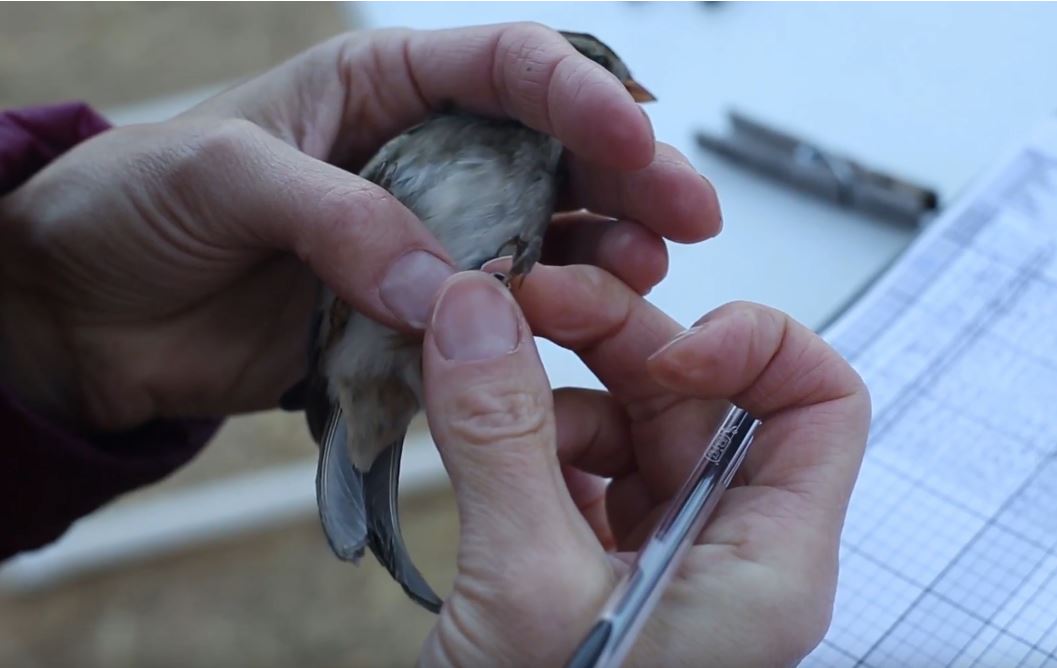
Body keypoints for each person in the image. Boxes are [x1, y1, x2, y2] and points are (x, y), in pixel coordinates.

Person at [0, 23, 870, 666]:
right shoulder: (437, 137)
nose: (621, 92)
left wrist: (47, 333)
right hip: (351, 343)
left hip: (379, 350)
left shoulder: (546, 180)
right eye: (604, 71)